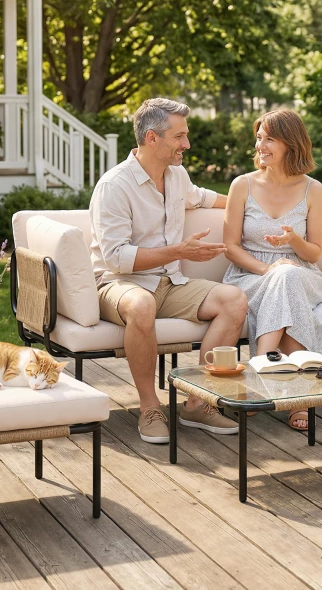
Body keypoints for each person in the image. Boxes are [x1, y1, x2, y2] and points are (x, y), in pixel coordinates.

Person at [90, 98, 248, 444]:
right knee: (143, 305)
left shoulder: (176, 176)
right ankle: (150, 407)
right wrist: (179, 250)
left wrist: (250, 203)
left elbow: (202, 197)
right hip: (119, 284)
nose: (187, 145)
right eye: (179, 137)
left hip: (170, 282)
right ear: (152, 138)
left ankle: (197, 401)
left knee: (234, 300)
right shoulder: (114, 186)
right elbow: (117, 259)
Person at [223, 109, 322, 429]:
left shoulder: (313, 189)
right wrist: (265, 269)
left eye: (269, 139)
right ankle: (299, 397)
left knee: (287, 276)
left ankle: (261, 368)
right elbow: (230, 246)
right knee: (282, 281)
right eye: (259, 138)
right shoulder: (241, 185)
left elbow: (313, 252)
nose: (261, 145)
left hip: (301, 271)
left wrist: (293, 240)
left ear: (291, 144)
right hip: (249, 273)